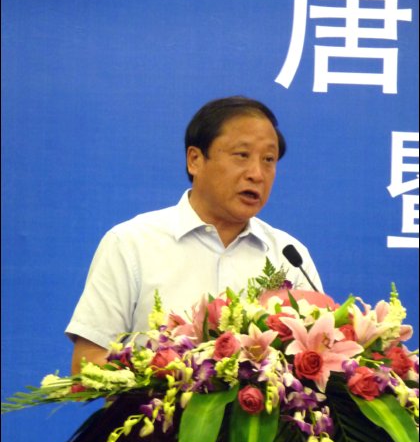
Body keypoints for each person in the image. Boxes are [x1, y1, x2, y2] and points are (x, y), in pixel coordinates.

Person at [67, 96, 323, 374]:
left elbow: (320, 358)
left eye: (269, 160)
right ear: (195, 160)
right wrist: (170, 379)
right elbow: (87, 361)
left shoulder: (289, 256)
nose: (257, 174)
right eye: (242, 155)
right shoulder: (131, 243)